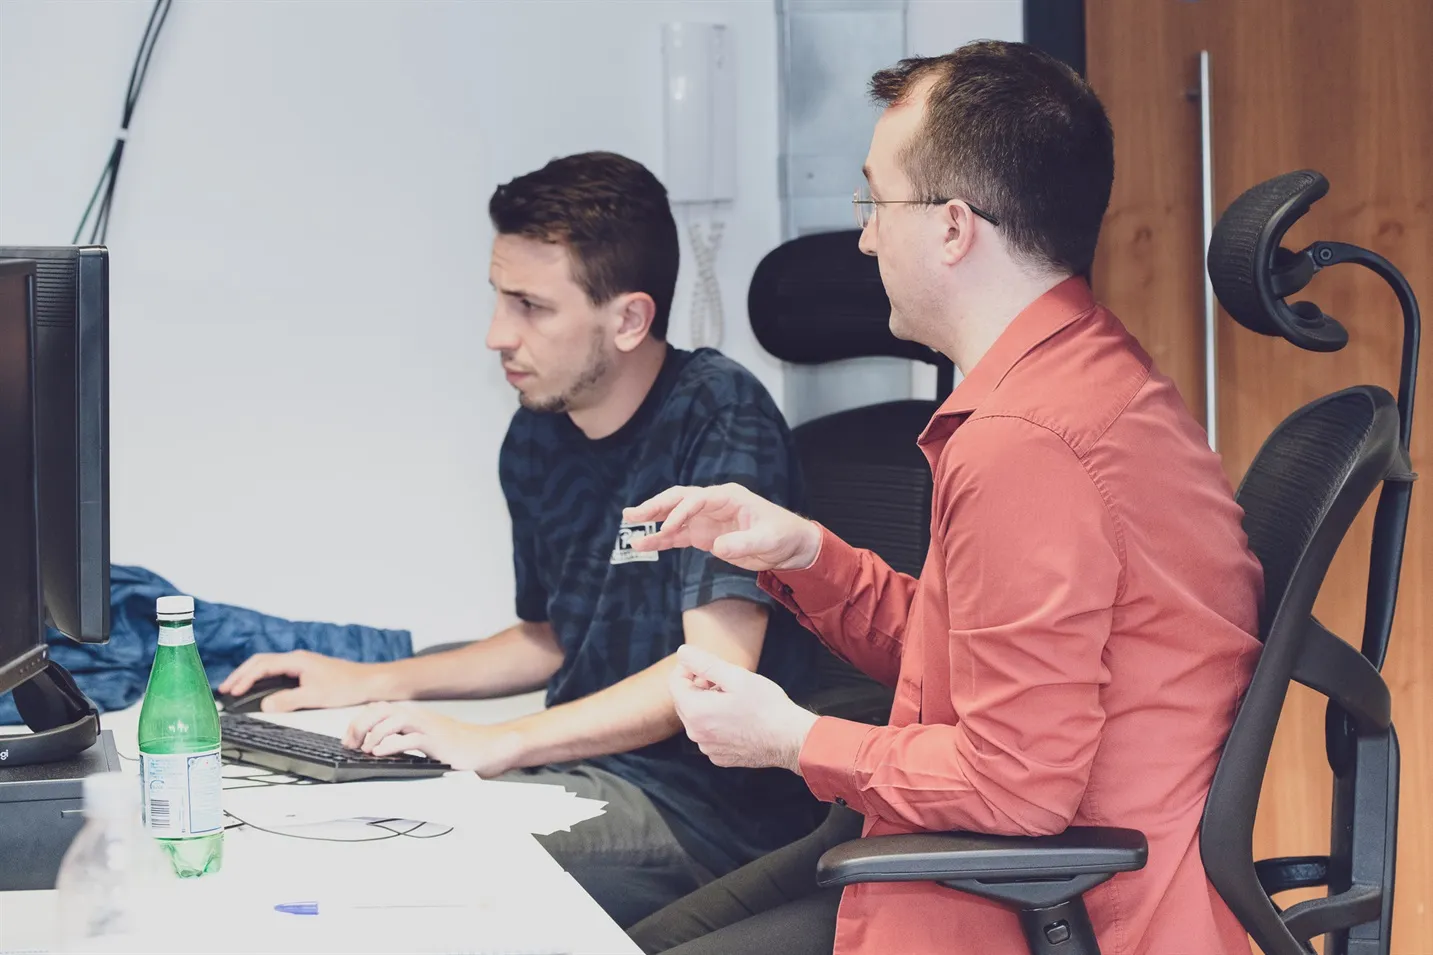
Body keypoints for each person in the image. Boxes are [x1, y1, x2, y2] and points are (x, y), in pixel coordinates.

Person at [624, 41, 1265, 955]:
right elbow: (970, 665)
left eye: (875, 203)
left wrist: (793, 737)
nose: (864, 236)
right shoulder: (1079, 378)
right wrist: (802, 552)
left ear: (955, 227)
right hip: (994, 864)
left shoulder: (1029, 441)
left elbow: (1016, 782)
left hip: (1033, 900)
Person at [219, 151, 826, 927]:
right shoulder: (538, 433)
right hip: (575, 771)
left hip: (701, 813)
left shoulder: (720, 418)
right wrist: (372, 678)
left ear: (629, 318)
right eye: (499, 299)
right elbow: (549, 638)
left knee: (402, 871)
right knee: (325, 825)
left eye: (531, 307)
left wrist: (499, 740)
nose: (496, 335)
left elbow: (710, 673)